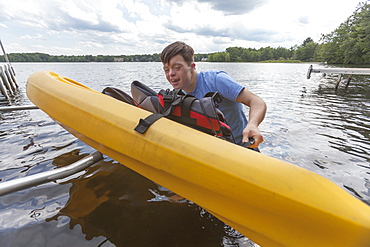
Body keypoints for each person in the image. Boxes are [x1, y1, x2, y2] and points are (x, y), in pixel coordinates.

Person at [160, 41, 266, 148]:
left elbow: (257, 101)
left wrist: (252, 125)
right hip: (211, 152)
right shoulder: (177, 97)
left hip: (241, 148)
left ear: (192, 66)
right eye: (166, 69)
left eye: (177, 67)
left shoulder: (216, 80)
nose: (171, 74)